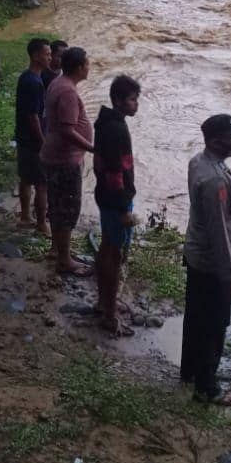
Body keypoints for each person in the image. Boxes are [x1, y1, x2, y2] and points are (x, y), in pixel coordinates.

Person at [180, 114, 231, 405]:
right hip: (213, 265)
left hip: (198, 257)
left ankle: (190, 372)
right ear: (215, 141)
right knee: (214, 325)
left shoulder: (200, 162)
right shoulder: (215, 180)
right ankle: (207, 388)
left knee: (195, 318)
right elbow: (219, 233)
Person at [93, 75, 141, 337]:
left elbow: (100, 164)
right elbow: (115, 172)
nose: (136, 105)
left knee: (106, 248)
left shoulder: (105, 121)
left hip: (104, 195)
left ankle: (103, 303)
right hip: (116, 200)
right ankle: (109, 315)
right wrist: (124, 210)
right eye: (132, 100)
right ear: (118, 100)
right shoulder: (117, 129)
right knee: (114, 254)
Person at [40, 47, 94, 276]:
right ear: (80, 67)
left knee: (57, 204)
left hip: (55, 156)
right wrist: (93, 148)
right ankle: (64, 260)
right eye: (87, 63)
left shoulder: (58, 82)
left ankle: (57, 249)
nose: (89, 67)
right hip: (64, 159)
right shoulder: (68, 92)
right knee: (67, 209)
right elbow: (67, 130)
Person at [14, 38, 51, 236]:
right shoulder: (35, 82)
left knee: (26, 178)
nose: (50, 57)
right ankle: (42, 224)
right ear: (36, 56)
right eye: (47, 54)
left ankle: (26, 216)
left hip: (23, 138)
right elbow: (33, 116)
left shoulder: (26, 77)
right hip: (33, 141)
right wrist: (43, 142)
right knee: (42, 183)